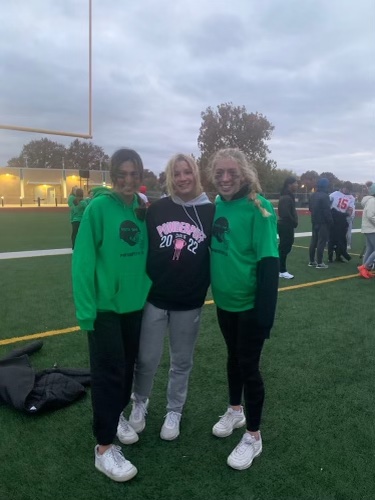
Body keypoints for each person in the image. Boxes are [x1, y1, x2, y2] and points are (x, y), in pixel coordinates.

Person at [72, 148, 151, 482]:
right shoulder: (98, 208)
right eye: (122, 173)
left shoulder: (141, 208)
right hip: (105, 309)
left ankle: (116, 416)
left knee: (126, 370)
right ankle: (103, 449)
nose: (128, 180)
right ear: (112, 175)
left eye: (134, 174)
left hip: (134, 307)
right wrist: (86, 311)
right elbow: (83, 262)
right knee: (107, 375)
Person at [130, 153, 215, 440]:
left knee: (181, 361)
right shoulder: (157, 210)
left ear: (195, 174)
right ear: (170, 176)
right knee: (146, 358)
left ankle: (174, 409)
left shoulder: (210, 211)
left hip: (189, 301)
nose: (182, 178)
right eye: (176, 173)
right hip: (155, 296)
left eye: (187, 172)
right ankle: (139, 401)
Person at [208, 148, 279, 471]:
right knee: (233, 358)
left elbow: (268, 265)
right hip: (225, 303)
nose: (225, 178)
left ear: (243, 173)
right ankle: (235, 410)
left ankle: (253, 435)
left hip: (250, 306)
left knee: (249, 366)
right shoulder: (218, 205)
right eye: (219, 172)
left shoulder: (259, 208)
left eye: (231, 172)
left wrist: (264, 316)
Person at [308, 178, 333, 268]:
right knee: (321, 242)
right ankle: (319, 262)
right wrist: (330, 221)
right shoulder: (325, 196)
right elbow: (327, 211)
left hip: (314, 221)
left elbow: (310, 208)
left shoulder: (312, 195)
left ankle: (311, 261)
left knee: (313, 241)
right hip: (323, 222)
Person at [277, 177, 298, 279]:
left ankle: (279, 268)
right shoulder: (286, 197)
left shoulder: (288, 196)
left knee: (284, 247)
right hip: (285, 225)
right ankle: (282, 270)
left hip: (286, 224)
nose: (297, 185)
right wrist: (294, 222)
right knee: (284, 247)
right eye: (295, 183)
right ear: (289, 184)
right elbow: (285, 214)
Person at [327, 183, 354, 263]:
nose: (346, 190)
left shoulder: (351, 198)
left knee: (341, 239)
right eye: (345, 188)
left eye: (348, 189)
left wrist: (346, 214)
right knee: (332, 239)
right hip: (334, 218)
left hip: (342, 219)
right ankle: (330, 257)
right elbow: (327, 203)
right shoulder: (334, 194)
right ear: (342, 187)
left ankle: (338, 256)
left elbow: (350, 210)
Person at [358, 183, 375, 278]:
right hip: (371, 228)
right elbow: (370, 215)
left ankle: (364, 269)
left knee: (370, 249)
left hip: (368, 228)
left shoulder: (370, 200)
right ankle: (365, 267)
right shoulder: (372, 201)